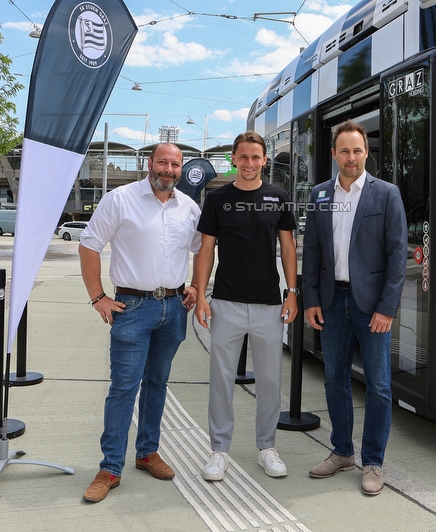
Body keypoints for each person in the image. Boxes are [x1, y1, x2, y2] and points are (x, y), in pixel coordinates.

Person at [78, 142, 202, 504]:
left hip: (174, 308)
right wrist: (98, 296)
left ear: (181, 169)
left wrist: (196, 285)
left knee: (157, 384)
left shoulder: (189, 208)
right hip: (131, 306)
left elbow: (202, 249)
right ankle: (110, 468)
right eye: (163, 162)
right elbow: (89, 245)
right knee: (123, 388)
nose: (169, 169)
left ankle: (147, 453)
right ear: (150, 163)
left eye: (175, 164)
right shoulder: (120, 199)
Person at [302, 119, 408, 496]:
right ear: (334, 154)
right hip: (332, 303)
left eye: (358, 150)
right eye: (344, 150)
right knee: (335, 380)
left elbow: (398, 256)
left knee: (378, 386)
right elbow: (312, 252)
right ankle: (342, 451)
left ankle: (373, 462)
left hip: (372, 306)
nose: (351, 157)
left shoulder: (386, 194)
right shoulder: (319, 195)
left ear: (367, 153)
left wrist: (387, 307)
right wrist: (311, 299)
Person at [194, 131, 298, 482]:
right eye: (244, 157)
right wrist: (200, 296)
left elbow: (288, 249)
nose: (250, 163)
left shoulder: (279, 197)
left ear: (265, 160)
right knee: (221, 380)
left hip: (270, 303)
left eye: (256, 157)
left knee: (270, 380)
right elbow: (205, 250)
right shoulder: (218, 198)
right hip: (225, 302)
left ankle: (266, 447)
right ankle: (218, 451)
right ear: (234, 160)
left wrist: (293, 292)